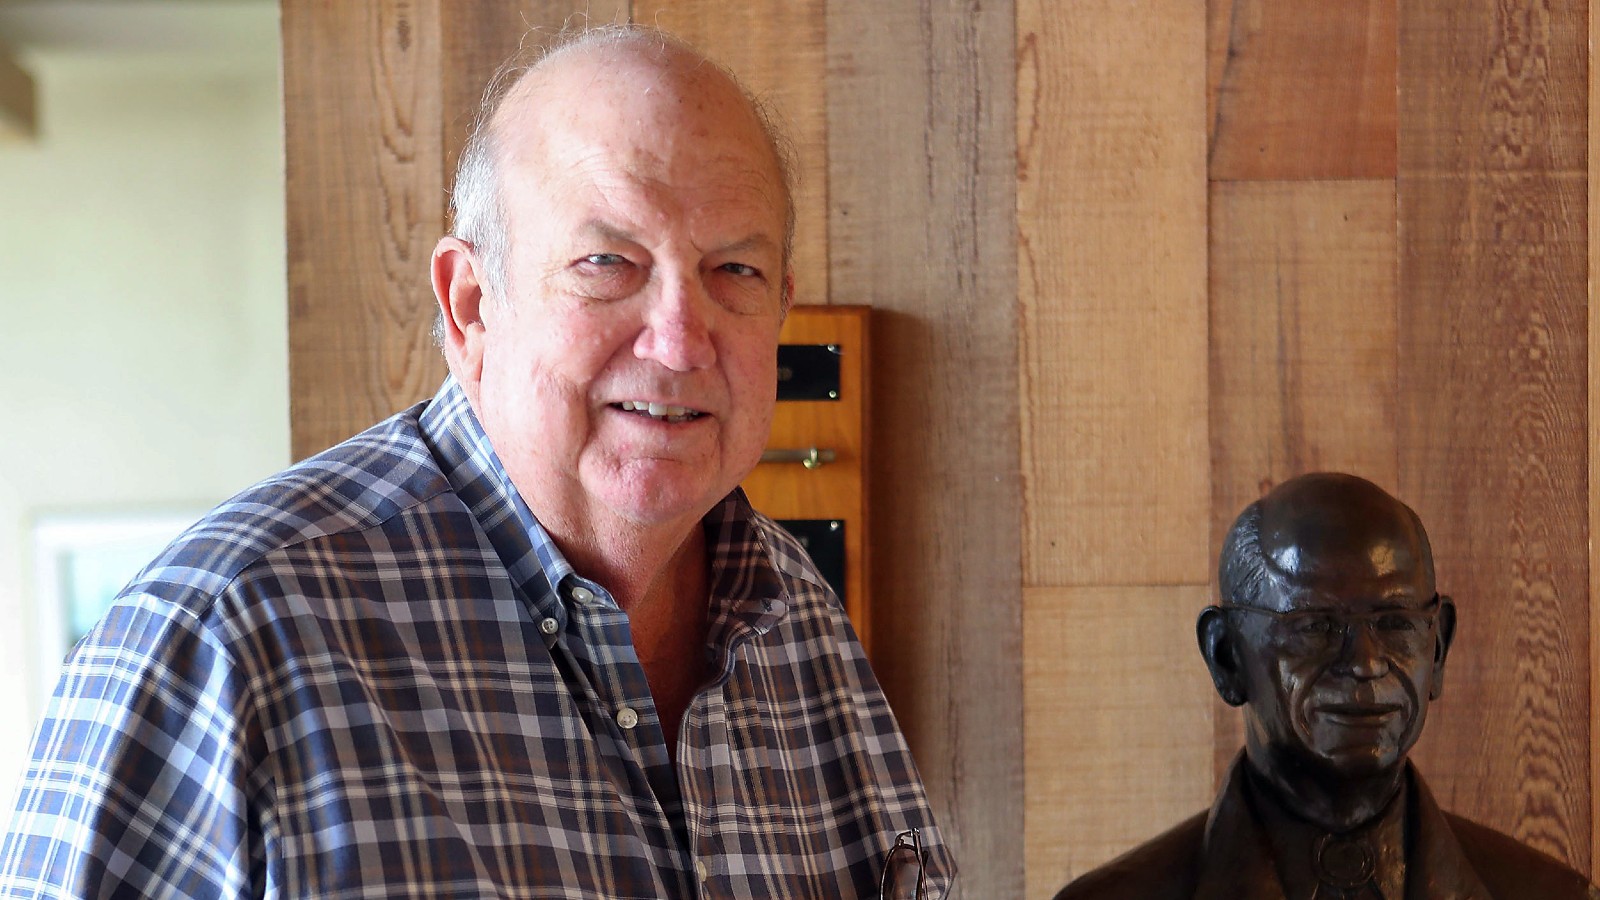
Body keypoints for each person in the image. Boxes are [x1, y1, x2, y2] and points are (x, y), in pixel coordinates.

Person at [0, 26, 953, 898]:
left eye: (733, 272)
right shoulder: (217, 640)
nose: (677, 341)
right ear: (469, 304)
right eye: (607, 264)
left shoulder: (796, 617)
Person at [1056, 472, 1597, 899]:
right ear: (1226, 657)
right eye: (1313, 626)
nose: (1364, 664)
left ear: (1437, 649)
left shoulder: (1551, 895)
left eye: (1395, 623)